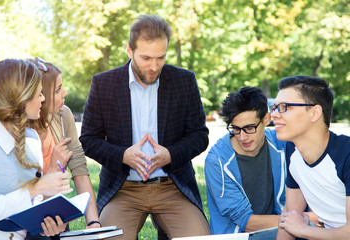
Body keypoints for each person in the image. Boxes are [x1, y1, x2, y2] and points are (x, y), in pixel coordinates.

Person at [80, 14, 211, 239]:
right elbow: (89, 140)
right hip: (123, 189)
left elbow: (200, 135)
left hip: (172, 186)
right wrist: (123, 155)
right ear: (129, 51)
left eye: (161, 58)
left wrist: (170, 154)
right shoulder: (103, 84)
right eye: (146, 58)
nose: (154, 66)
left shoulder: (184, 81)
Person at [0, 58, 73, 239]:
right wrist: (34, 190)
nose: (43, 98)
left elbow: (31, 207)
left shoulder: (31, 138)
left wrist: (48, 221)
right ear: (22, 98)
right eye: (39, 94)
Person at [25, 57, 100, 240]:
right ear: (39, 93)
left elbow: (80, 171)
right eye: (58, 90)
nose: (65, 93)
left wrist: (94, 223)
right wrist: (53, 167)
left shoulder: (63, 115)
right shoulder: (16, 127)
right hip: (24, 217)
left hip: (53, 216)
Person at [272, 76, 350, 239]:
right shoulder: (293, 149)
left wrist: (302, 230)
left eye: (284, 107)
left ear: (315, 113)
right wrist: (297, 228)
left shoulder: (346, 154)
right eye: (275, 107)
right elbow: (290, 215)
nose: (274, 115)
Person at [204, 87, 286, 237]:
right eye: (236, 128)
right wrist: (303, 221)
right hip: (238, 236)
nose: (242, 137)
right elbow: (247, 223)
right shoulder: (217, 161)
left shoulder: (282, 144)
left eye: (249, 128)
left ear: (267, 119)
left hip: (280, 230)